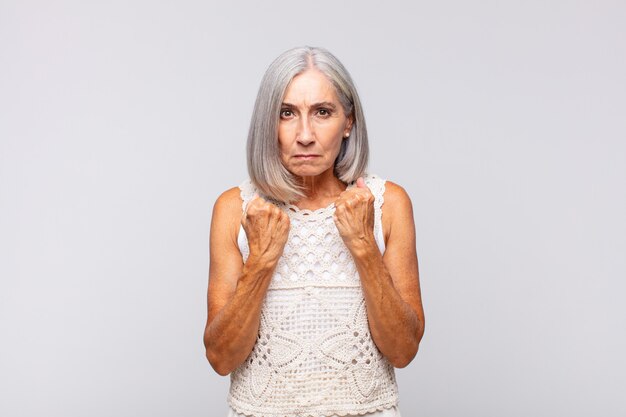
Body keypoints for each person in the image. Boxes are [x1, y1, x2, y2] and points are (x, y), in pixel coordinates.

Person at [203, 46, 425, 417]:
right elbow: (221, 358)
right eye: (287, 113)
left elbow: (403, 351)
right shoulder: (235, 209)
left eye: (322, 112)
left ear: (349, 122)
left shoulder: (388, 203)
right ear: (267, 123)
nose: (305, 135)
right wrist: (260, 261)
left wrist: (364, 247)